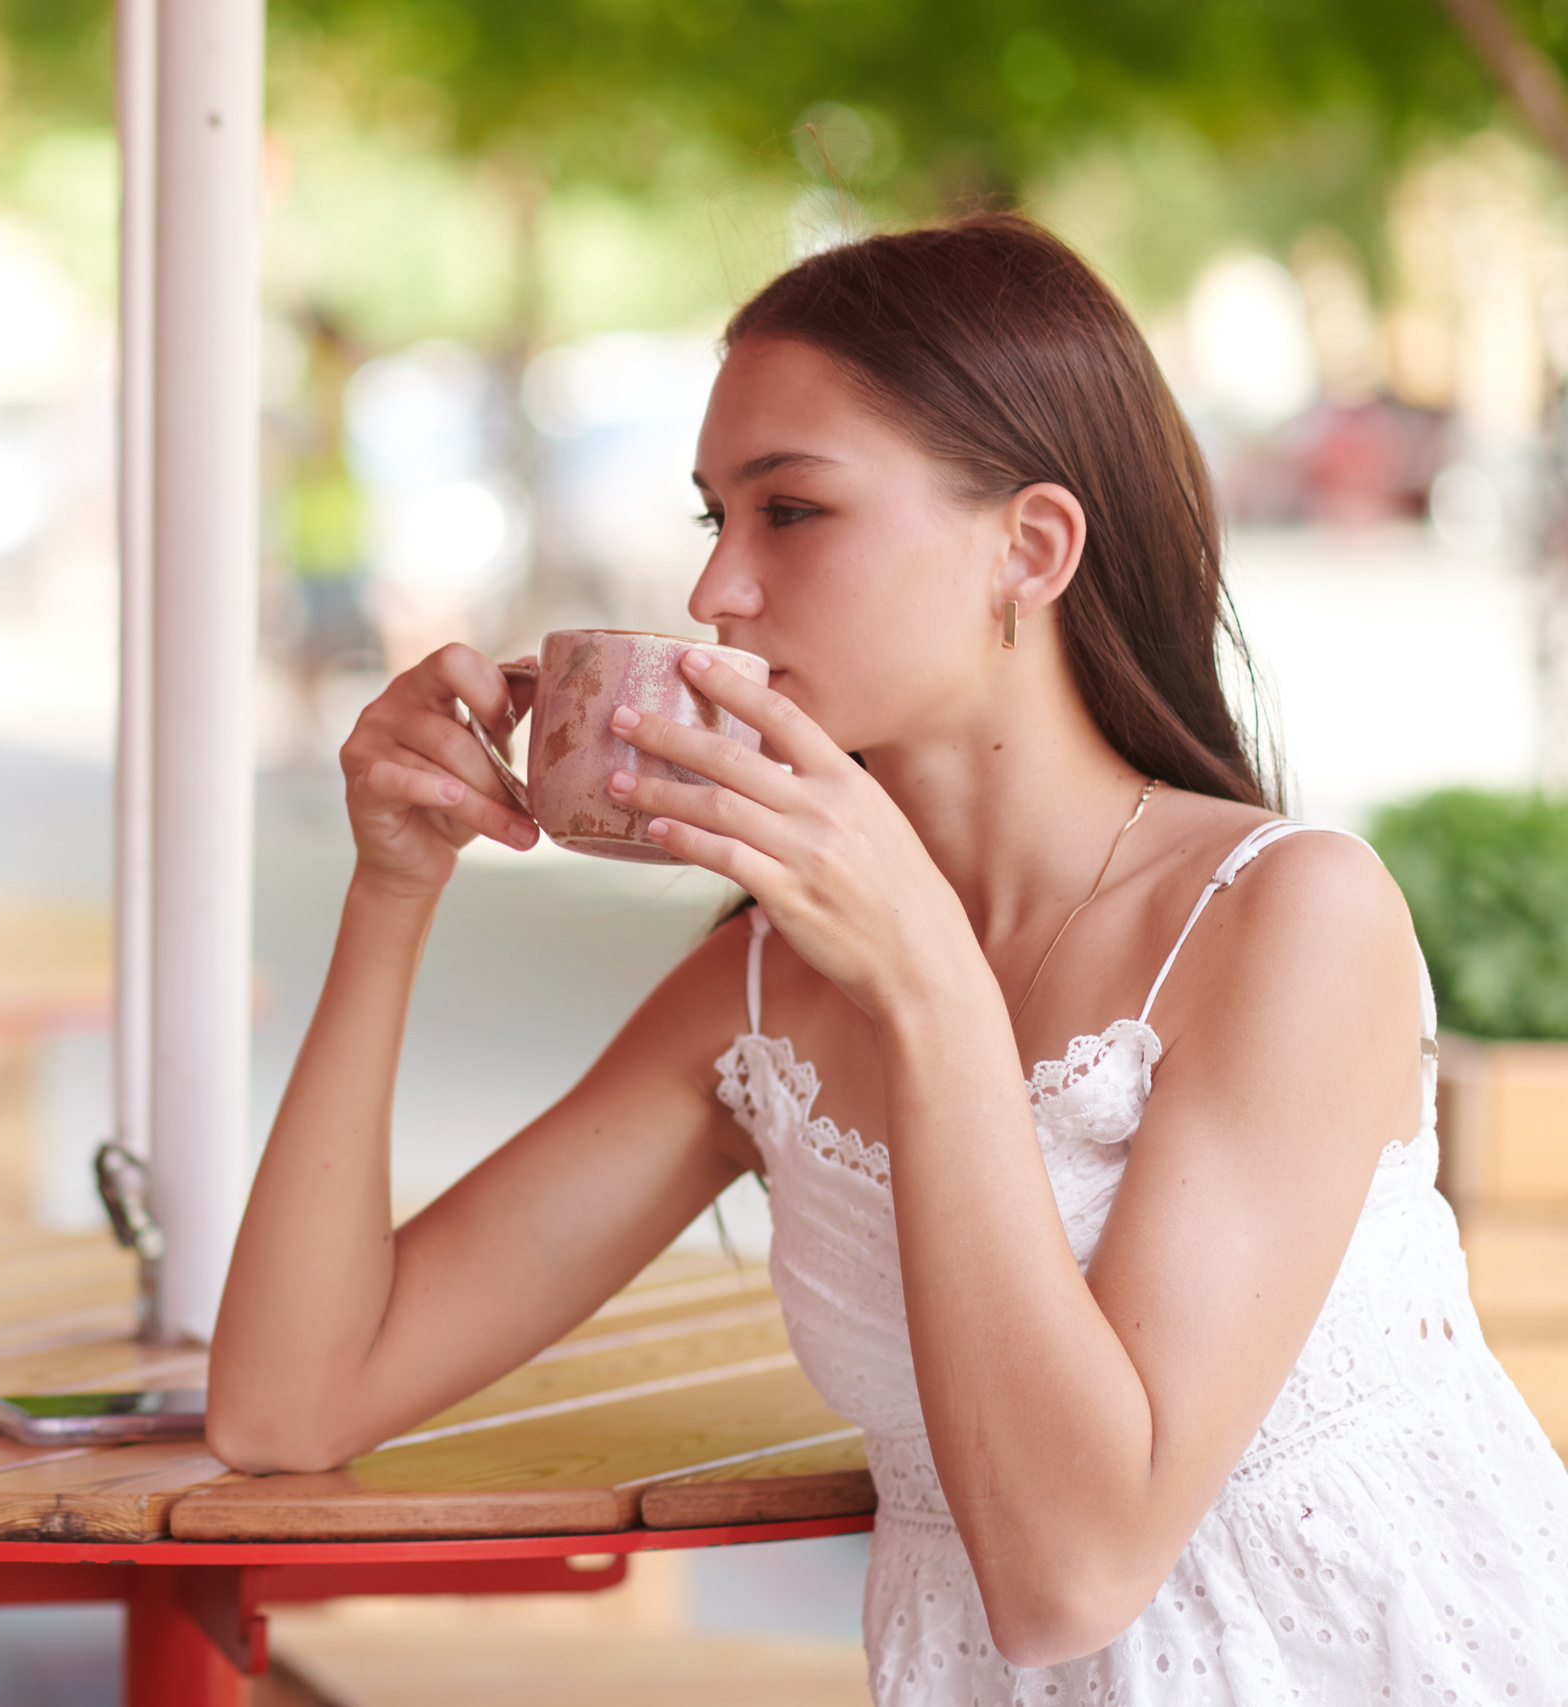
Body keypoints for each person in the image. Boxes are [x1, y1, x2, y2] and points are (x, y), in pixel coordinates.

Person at [206, 214, 1568, 1702]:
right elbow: (290, 1404)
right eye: (709, 518)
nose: (716, 592)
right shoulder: (763, 1000)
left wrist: (930, 988)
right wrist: (395, 892)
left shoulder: (1286, 921)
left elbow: (1070, 1575)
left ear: (1030, 549)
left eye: (789, 512)